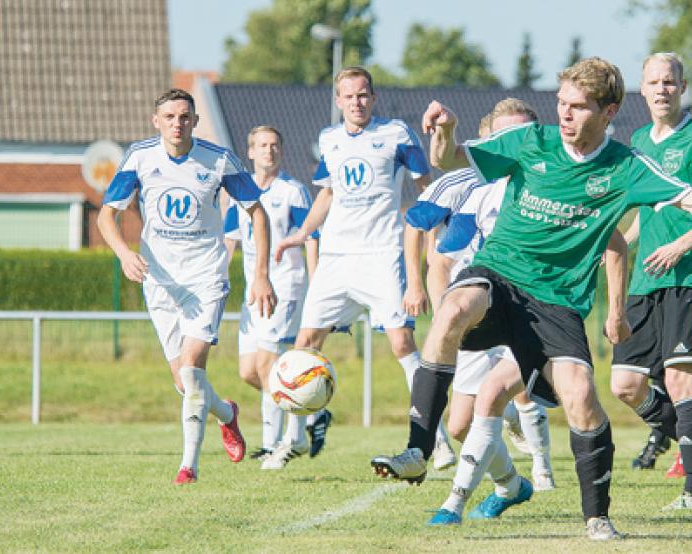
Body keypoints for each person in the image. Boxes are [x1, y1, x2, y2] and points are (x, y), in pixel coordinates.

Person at [370, 57, 692, 540]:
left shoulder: (625, 167)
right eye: (561, 103)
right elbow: (449, 157)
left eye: (578, 107)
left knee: (583, 398)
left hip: (558, 305)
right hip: (500, 275)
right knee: (454, 309)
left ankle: (597, 518)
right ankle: (418, 450)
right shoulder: (531, 141)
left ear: (607, 112)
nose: (564, 115)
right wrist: (444, 129)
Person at [273, 66, 458, 468]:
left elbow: (425, 188)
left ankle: (437, 440)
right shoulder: (330, 139)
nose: (356, 103)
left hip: (381, 256)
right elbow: (327, 194)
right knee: (303, 346)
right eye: (348, 96)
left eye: (363, 95)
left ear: (372, 99)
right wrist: (301, 233)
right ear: (338, 101)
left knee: (402, 345)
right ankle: (292, 441)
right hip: (336, 260)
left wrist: (432, 245)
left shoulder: (396, 135)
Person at [97, 88, 277, 484]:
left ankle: (188, 466)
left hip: (206, 277)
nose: (177, 124)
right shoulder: (140, 158)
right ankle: (227, 413)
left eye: (184, 117)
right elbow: (107, 217)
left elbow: (257, 215)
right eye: (169, 117)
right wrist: (126, 255)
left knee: (193, 369)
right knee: (183, 381)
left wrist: (260, 273)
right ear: (155, 121)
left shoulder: (219, 160)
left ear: (195, 121)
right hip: (159, 281)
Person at [403, 101, 557, 498]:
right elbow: (435, 249)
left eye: (523, 135)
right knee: (458, 426)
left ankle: (542, 469)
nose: (515, 145)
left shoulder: (549, 184)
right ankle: (510, 482)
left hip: (525, 302)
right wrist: (430, 298)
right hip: (473, 304)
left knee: (517, 387)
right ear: (486, 141)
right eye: (504, 137)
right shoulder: (464, 187)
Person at [611, 53, 692, 510]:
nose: (661, 89)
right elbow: (650, 209)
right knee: (624, 384)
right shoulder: (638, 140)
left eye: (670, 82)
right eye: (653, 82)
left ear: (683, 89)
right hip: (645, 283)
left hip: (691, 279)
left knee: (682, 384)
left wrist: (681, 246)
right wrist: (623, 241)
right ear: (641, 89)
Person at [223, 125, 319, 469]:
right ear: (250, 152)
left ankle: (276, 443)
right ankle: (309, 412)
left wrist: (315, 283)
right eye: (262, 146)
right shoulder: (241, 192)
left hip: (286, 287)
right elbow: (230, 239)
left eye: (275, 145)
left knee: (268, 365)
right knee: (250, 372)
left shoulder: (293, 191)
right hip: (254, 291)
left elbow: (311, 237)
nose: (269, 151)